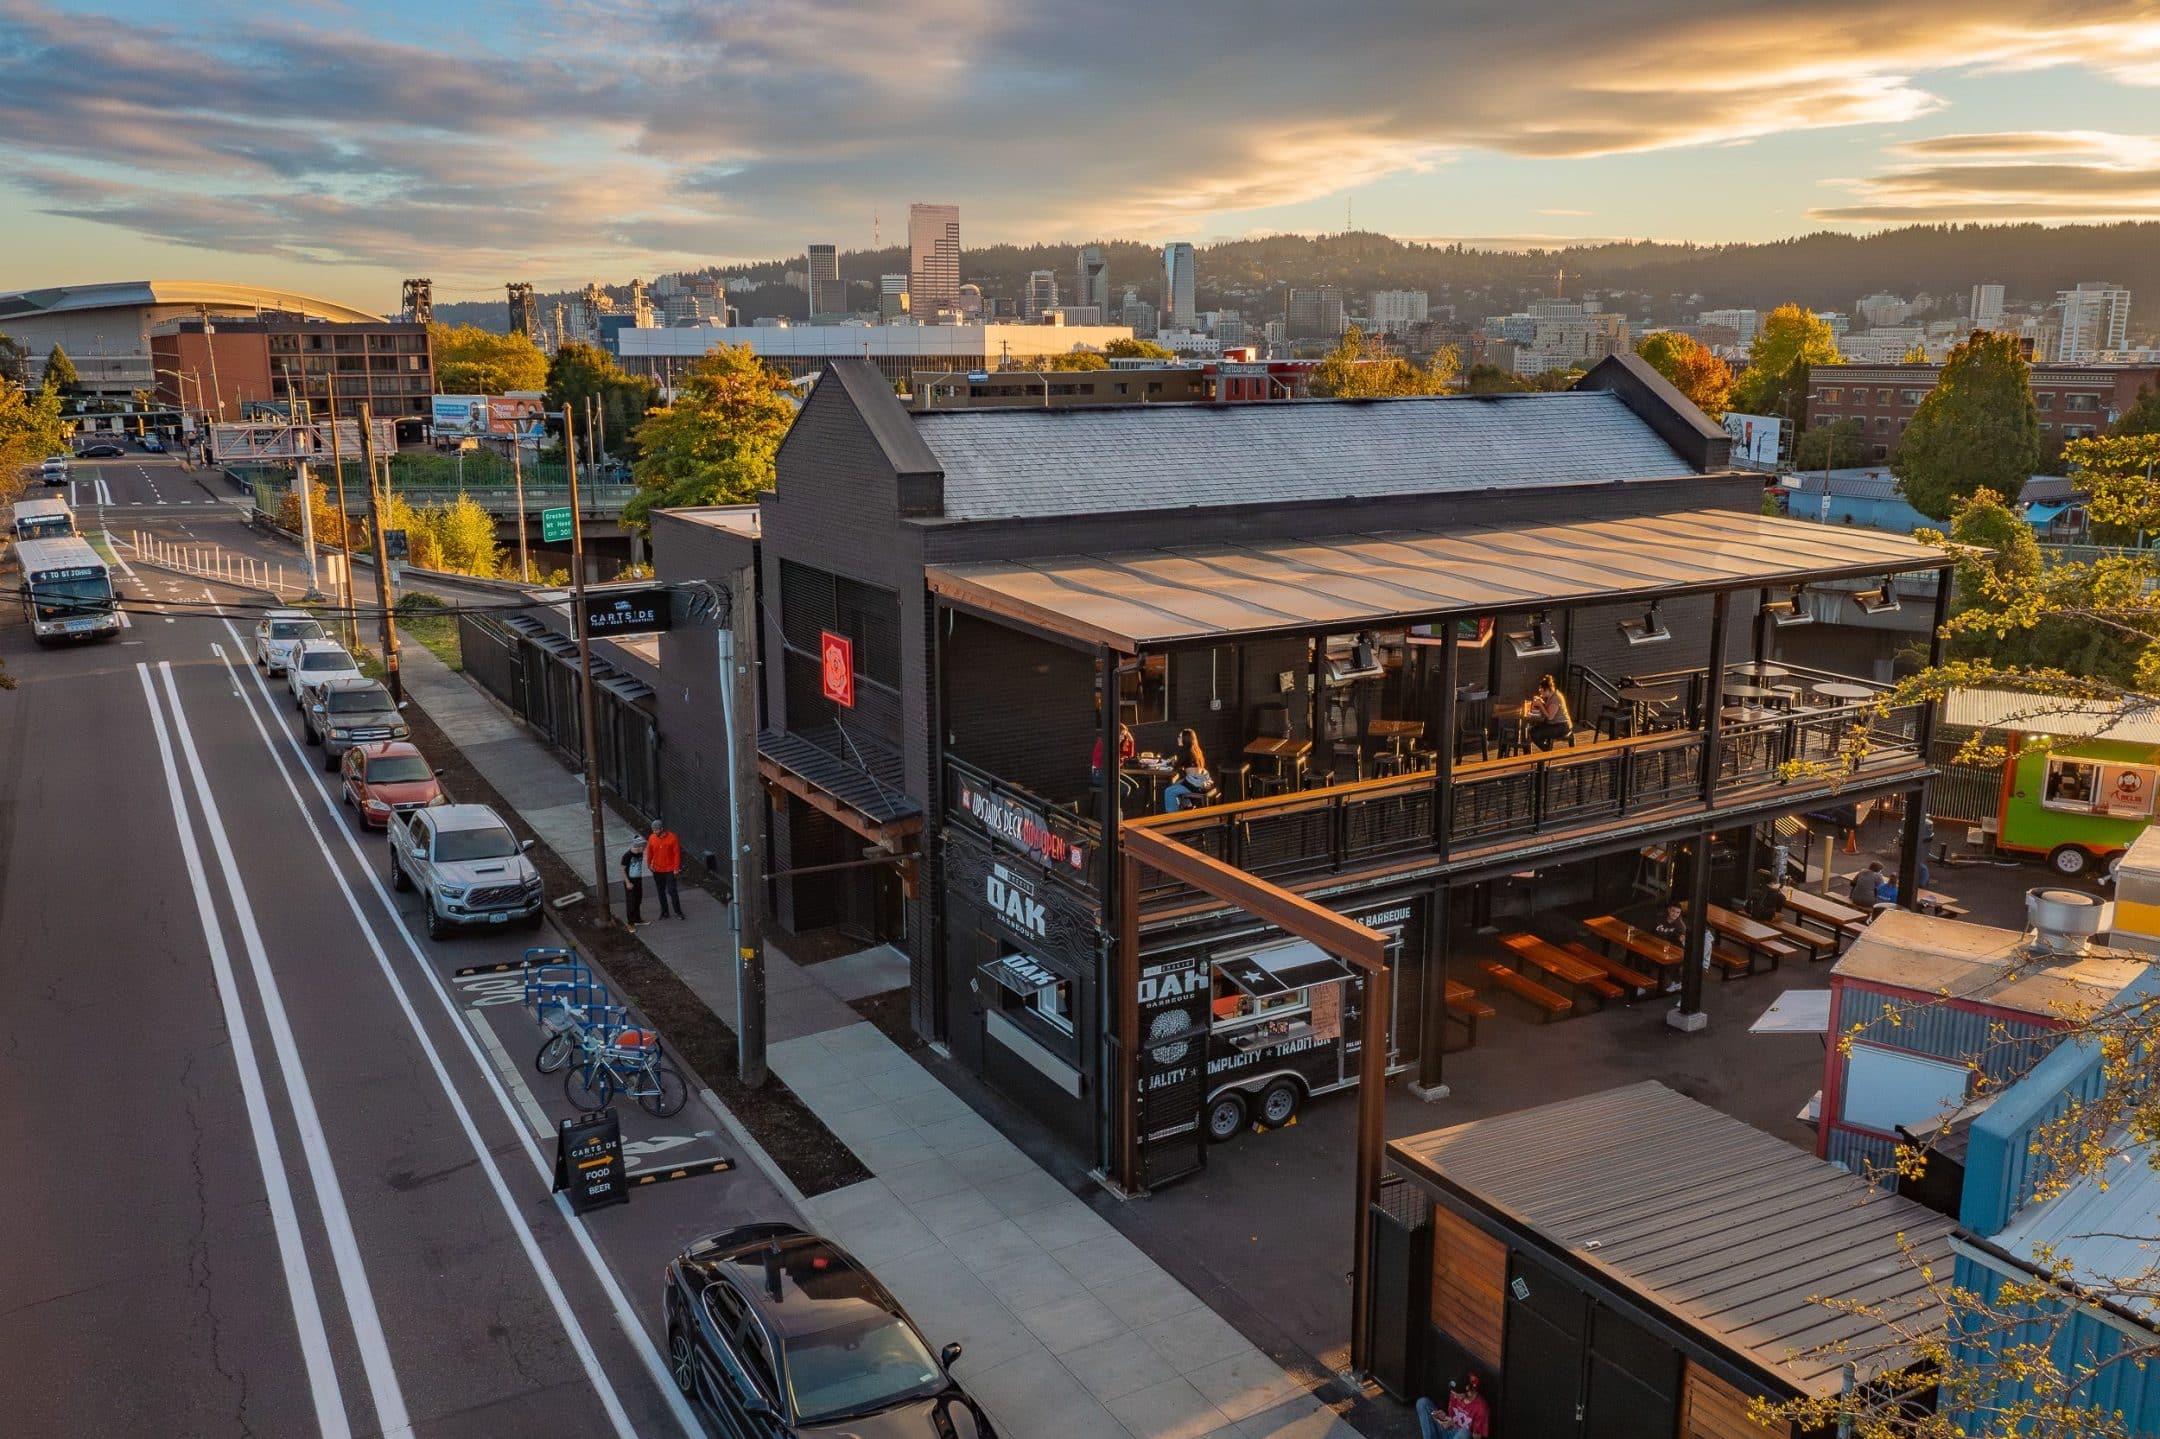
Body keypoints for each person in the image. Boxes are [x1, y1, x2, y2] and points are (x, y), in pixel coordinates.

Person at [1417, 1375, 1490, 1439]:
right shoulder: (1454, 1395)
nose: (1454, 1396)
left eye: (1457, 1395)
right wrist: (1443, 1416)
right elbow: (1451, 1417)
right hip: (1448, 1430)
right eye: (1453, 1394)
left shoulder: (1481, 1408)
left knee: (1464, 1433)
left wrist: (1455, 1426)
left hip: (1459, 1436)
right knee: (1423, 1403)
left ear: (1468, 1391)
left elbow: (1476, 1437)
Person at [1163, 729, 1214, 812]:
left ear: (1185, 739)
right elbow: (1188, 764)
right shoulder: (1195, 750)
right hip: (1200, 780)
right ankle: (1188, 806)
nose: (1178, 739)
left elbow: (1174, 767)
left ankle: (1172, 817)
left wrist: (1174, 761)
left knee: (1169, 791)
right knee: (1177, 783)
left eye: (1179, 737)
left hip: (1194, 784)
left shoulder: (1186, 751)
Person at [646, 818, 684, 920]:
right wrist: (649, 864)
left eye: (656, 830)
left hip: (669, 869)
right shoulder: (652, 838)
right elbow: (649, 852)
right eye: (653, 830)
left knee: (672, 891)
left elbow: (676, 854)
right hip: (657, 870)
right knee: (660, 891)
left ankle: (678, 912)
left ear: (662, 829)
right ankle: (665, 912)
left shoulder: (672, 838)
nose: (654, 832)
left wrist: (676, 868)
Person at [1524, 674, 1572, 751]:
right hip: (1554, 724)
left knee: (1535, 733)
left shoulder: (1556, 699)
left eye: (1541, 690)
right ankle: (1545, 749)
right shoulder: (1551, 695)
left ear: (1547, 690)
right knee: (1532, 729)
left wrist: (1540, 704)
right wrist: (1542, 702)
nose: (1540, 693)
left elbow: (1550, 716)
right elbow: (1548, 709)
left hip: (1561, 726)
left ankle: (1547, 751)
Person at [619, 836, 648, 929]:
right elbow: (622, 869)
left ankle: (637, 919)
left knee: (638, 900)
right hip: (630, 881)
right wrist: (627, 882)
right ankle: (630, 923)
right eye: (644, 847)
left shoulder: (640, 853)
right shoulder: (627, 855)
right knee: (631, 902)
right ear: (639, 846)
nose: (645, 849)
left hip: (638, 880)